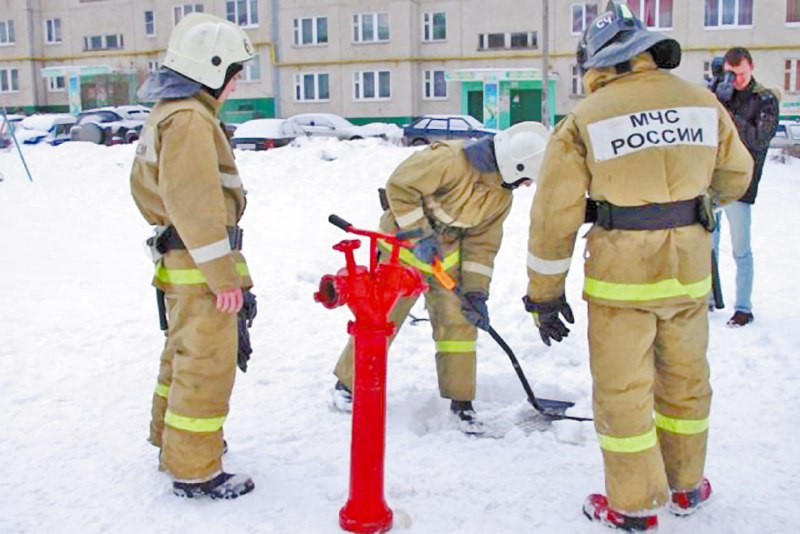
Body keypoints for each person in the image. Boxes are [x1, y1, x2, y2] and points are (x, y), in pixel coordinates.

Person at [522, 2, 752, 530]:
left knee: (624, 392)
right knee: (686, 381)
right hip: (689, 271)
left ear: (599, 60)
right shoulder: (701, 102)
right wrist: (694, 208)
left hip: (621, 279)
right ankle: (686, 486)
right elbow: (737, 174)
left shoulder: (584, 119)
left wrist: (545, 293)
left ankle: (632, 506)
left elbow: (553, 216)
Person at [331, 122, 549, 434]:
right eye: (528, 177)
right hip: (402, 249)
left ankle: (461, 402)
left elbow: (482, 245)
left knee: (459, 324)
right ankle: (347, 385)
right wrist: (419, 235)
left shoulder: (501, 196)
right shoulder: (449, 160)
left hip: (444, 260)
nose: (528, 185)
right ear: (516, 166)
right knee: (381, 319)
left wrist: (476, 293)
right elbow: (400, 187)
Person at [130, 13, 256, 499]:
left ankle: (171, 442)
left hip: (183, 262)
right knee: (206, 362)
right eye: (235, 71)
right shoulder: (189, 119)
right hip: (199, 265)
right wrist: (224, 279)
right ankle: (195, 469)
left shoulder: (173, 111)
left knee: (182, 355)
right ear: (212, 68)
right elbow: (197, 206)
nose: (238, 81)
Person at [711, 47, 780, 327]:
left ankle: (743, 307)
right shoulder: (721, 93)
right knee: (707, 245)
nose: (735, 80)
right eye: (730, 74)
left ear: (750, 68)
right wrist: (715, 97)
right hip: (712, 181)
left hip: (741, 184)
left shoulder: (764, 99)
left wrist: (727, 114)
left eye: (739, 74)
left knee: (741, 249)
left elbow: (760, 138)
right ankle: (708, 297)